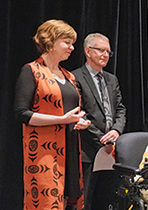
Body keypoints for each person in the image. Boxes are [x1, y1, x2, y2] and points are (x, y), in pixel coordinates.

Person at [14, 19, 91, 210]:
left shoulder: (69, 76)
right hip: (44, 152)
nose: (72, 48)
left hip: (70, 147)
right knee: (46, 201)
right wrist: (61, 120)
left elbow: (74, 110)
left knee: (67, 200)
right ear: (50, 41)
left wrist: (81, 121)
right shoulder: (32, 70)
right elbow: (22, 113)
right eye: (67, 42)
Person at [72, 33, 127, 209]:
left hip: (111, 149)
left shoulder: (111, 79)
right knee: (85, 199)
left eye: (108, 52)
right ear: (88, 51)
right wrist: (102, 138)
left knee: (107, 199)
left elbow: (120, 109)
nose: (105, 55)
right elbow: (79, 113)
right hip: (87, 148)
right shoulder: (75, 77)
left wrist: (116, 131)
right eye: (101, 50)